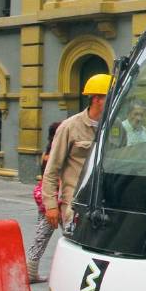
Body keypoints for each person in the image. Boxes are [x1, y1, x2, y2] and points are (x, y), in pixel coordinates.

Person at [40, 73, 111, 262]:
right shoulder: (70, 127)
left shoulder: (114, 127)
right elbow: (51, 169)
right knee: (76, 252)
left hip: (103, 204)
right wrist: (51, 206)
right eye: (109, 97)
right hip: (75, 205)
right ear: (96, 99)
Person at [25, 121, 63, 283]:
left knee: (41, 234)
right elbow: (55, 177)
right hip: (54, 198)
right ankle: (30, 273)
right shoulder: (54, 154)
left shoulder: (46, 152)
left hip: (44, 197)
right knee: (48, 235)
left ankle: (31, 272)